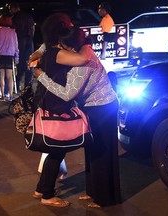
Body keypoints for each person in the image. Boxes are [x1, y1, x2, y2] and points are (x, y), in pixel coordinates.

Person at [33, 25, 121, 208]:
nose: (61, 49)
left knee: (102, 153)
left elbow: (67, 94)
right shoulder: (81, 50)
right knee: (92, 151)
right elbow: (48, 45)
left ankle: (105, 198)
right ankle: (94, 192)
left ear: (72, 46)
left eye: (63, 46)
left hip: (103, 107)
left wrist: (41, 76)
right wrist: (39, 51)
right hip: (93, 107)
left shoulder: (83, 63)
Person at [30, 13, 92, 208]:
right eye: (68, 25)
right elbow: (83, 59)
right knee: (58, 150)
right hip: (57, 103)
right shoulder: (58, 53)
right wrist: (85, 41)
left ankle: (41, 189)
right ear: (61, 30)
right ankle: (47, 195)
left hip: (49, 101)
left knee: (54, 150)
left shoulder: (49, 50)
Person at [0, 14, 19, 102]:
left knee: (1, 76)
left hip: (0, 55)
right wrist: (17, 57)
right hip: (10, 56)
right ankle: (10, 96)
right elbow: (16, 46)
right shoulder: (13, 32)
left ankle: (2, 95)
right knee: (10, 77)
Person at [9, 2, 35, 92]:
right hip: (29, 41)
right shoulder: (28, 16)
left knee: (19, 63)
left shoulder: (14, 18)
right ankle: (28, 87)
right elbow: (33, 28)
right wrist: (31, 37)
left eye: (10, 9)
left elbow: (12, 31)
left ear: (14, 8)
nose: (10, 11)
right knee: (29, 62)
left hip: (19, 41)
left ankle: (17, 85)